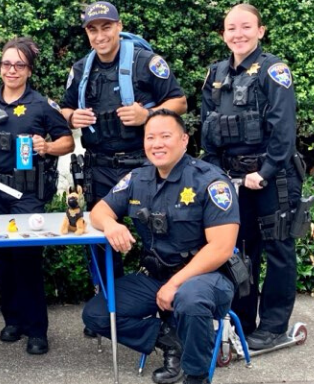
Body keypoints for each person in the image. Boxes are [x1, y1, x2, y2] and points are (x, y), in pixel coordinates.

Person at [59, 2, 189, 380]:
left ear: (119, 26)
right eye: (92, 29)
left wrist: (148, 115)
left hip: (143, 165)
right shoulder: (81, 68)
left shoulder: (146, 62)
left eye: (106, 27)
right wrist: (73, 117)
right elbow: (64, 110)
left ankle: (168, 305)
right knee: (102, 242)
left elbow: (179, 102)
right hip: (99, 165)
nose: (100, 35)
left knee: (157, 235)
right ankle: (111, 307)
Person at [82, 109, 239, 384]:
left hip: (206, 278)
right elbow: (99, 211)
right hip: (154, 277)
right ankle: (170, 340)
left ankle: (196, 376)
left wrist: (175, 284)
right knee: (96, 314)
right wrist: (111, 225)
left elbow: (221, 248)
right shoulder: (137, 179)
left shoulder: (210, 181)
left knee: (190, 299)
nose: (157, 144)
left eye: (166, 136)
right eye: (150, 137)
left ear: (184, 140)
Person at [200, 4, 305, 350]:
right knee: (240, 251)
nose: (238, 34)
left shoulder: (274, 71)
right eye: (231, 28)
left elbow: (283, 131)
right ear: (223, 34)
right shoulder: (215, 74)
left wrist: (265, 172)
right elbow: (208, 130)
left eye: (246, 27)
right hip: (231, 180)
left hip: (273, 178)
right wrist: (215, 174)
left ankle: (274, 325)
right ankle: (241, 321)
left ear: (260, 31)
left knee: (278, 249)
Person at [0, 37, 74, 355]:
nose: (12, 70)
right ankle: (13, 321)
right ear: (0, 67)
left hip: (28, 192)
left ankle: (37, 330)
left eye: (19, 65)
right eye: (7, 64)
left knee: (27, 259)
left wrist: (47, 146)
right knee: (2, 260)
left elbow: (66, 141)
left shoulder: (42, 105)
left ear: (29, 70)